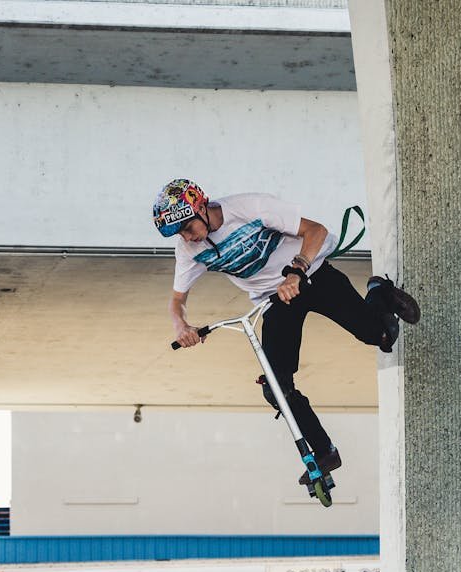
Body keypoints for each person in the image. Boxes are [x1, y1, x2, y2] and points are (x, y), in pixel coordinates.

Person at [153, 178, 420, 483]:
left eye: (187, 227)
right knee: (276, 387)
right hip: (276, 302)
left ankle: (380, 292)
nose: (187, 237)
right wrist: (181, 326)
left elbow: (315, 231)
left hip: (313, 276)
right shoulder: (189, 250)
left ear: (201, 206)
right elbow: (177, 301)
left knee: (381, 336)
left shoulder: (248, 207)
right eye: (179, 233)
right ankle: (323, 451)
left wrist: (297, 271)